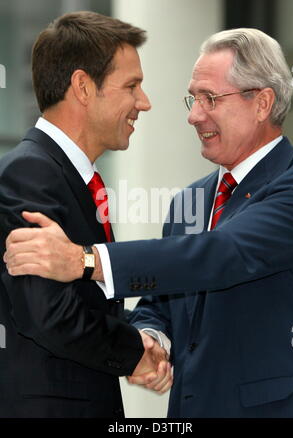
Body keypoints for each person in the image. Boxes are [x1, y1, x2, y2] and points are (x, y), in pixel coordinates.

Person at [4, 27, 293, 417]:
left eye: (209, 98)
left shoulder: (292, 187)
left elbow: (220, 254)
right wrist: (149, 337)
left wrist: (85, 261)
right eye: (192, 99)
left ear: (262, 103)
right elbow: (162, 298)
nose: (194, 115)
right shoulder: (188, 202)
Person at [0, 11, 173, 418]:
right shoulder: (31, 174)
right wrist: (135, 353)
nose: (143, 103)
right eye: (132, 86)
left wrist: (147, 339)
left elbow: (87, 305)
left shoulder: (65, 176)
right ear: (82, 87)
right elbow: (49, 313)